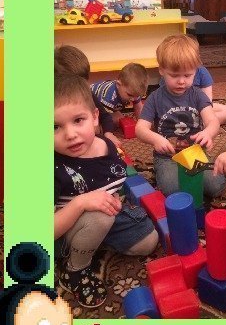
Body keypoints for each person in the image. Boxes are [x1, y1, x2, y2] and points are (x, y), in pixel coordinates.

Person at [54, 74, 158, 308]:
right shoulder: (52, 167)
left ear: (94, 117)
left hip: (105, 217)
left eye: (78, 120)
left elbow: (117, 182)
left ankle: (90, 243)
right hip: (67, 226)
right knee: (100, 217)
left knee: (148, 241)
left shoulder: (106, 145)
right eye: (55, 127)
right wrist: (81, 202)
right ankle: (74, 269)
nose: (70, 134)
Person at [136, 35, 226, 197]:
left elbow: (212, 121)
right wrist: (156, 140)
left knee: (216, 186)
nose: (181, 81)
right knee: (172, 191)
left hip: (195, 151)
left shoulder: (198, 95)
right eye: (174, 75)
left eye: (187, 75)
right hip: (167, 156)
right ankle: (163, 172)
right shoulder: (154, 98)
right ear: (161, 70)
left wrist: (208, 133)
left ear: (195, 71)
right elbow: (140, 129)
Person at [91, 63, 147, 148]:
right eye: (130, 95)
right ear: (118, 85)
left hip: (110, 107)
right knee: (102, 128)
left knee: (122, 120)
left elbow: (139, 108)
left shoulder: (133, 92)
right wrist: (108, 133)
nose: (133, 99)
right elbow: (105, 116)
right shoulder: (109, 96)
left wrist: (142, 125)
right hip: (91, 103)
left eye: (137, 96)